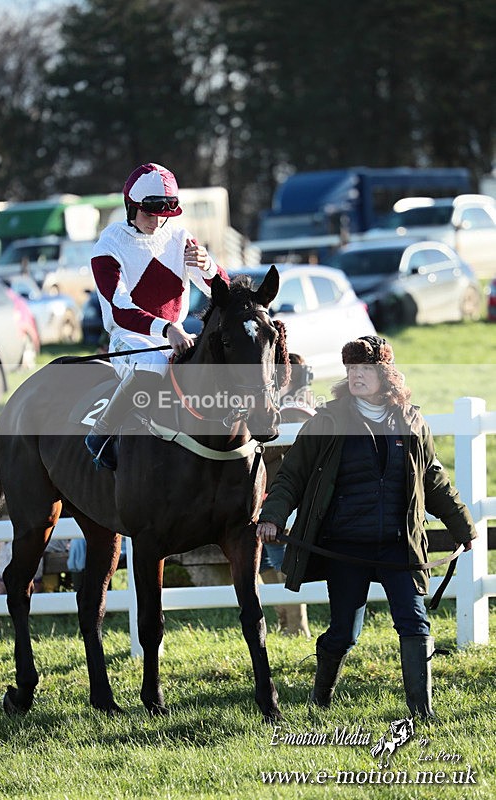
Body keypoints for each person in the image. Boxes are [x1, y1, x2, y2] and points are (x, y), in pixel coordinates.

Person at [256, 335, 476, 719]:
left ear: (386, 374)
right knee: (344, 633)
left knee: (414, 623)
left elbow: (433, 480)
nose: (357, 376)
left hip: (398, 545)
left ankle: (422, 713)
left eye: (365, 370)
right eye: (351, 370)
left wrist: (463, 527)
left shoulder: (410, 420)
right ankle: (320, 700)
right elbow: (292, 475)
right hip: (345, 546)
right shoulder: (328, 419)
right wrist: (273, 516)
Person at [85, 162, 229, 469]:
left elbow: (224, 292)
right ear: (130, 207)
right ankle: (101, 434)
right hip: (130, 339)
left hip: (174, 334)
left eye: (163, 214)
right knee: (153, 364)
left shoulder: (179, 237)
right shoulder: (107, 247)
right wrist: (167, 330)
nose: (156, 221)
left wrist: (208, 267)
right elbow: (121, 310)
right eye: (149, 213)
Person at [260, 354, 316, 638]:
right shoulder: (283, 406)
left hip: (281, 496)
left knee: (280, 559)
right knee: (265, 562)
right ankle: (286, 620)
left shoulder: (295, 411)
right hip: (265, 496)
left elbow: (276, 450)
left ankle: (296, 624)